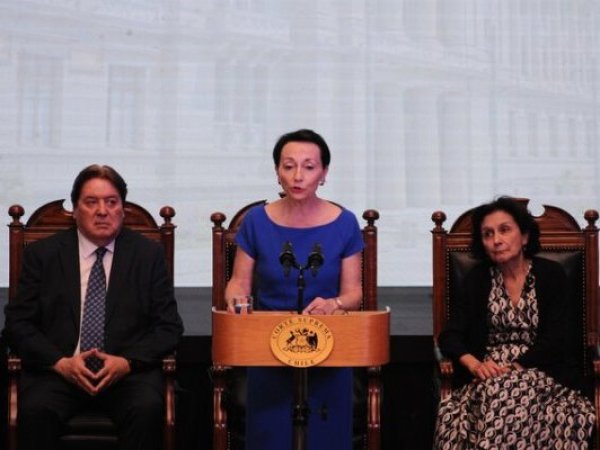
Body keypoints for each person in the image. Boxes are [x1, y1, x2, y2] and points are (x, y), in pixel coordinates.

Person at [3, 164, 184, 450]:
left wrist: (126, 362)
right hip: (60, 370)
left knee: (147, 409)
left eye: (111, 202)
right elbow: (17, 324)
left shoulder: (147, 255)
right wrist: (60, 363)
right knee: (35, 410)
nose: (102, 211)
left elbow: (168, 327)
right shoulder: (43, 254)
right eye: (91, 202)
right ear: (75, 210)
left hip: (126, 374)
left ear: (122, 210)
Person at [225, 129, 364, 449]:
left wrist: (333, 304)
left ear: (324, 173)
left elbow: (353, 294)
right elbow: (238, 283)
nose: (298, 176)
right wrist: (235, 299)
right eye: (289, 166)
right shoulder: (256, 221)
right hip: (268, 344)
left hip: (328, 345)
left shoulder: (345, 223)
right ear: (277, 171)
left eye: (309, 167)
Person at [434, 196, 595, 449]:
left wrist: (513, 369)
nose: (496, 240)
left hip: (544, 376)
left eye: (504, 230)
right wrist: (475, 365)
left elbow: (558, 338)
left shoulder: (551, 275)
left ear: (525, 237)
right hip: (486, 380)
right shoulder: (477, 279)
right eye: (488, 234)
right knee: (486, 398)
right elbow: (450, 336)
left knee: (509, 392)